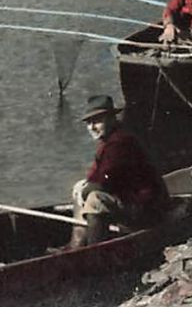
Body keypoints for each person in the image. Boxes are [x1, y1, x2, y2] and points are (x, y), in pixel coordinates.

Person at [67, 95, 169, 247]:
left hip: (146, 207)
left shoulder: (120, 143)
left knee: (95, 200)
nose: (92, 127)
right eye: (89, 123)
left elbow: (103, 181)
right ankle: (77, 244)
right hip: (131, 201)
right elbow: (95, 176)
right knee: (83, 190)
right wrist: (82, 187)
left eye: (97, 121)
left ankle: (94, 250)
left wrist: (84, 190)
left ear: (111, 119)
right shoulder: (109, 141)